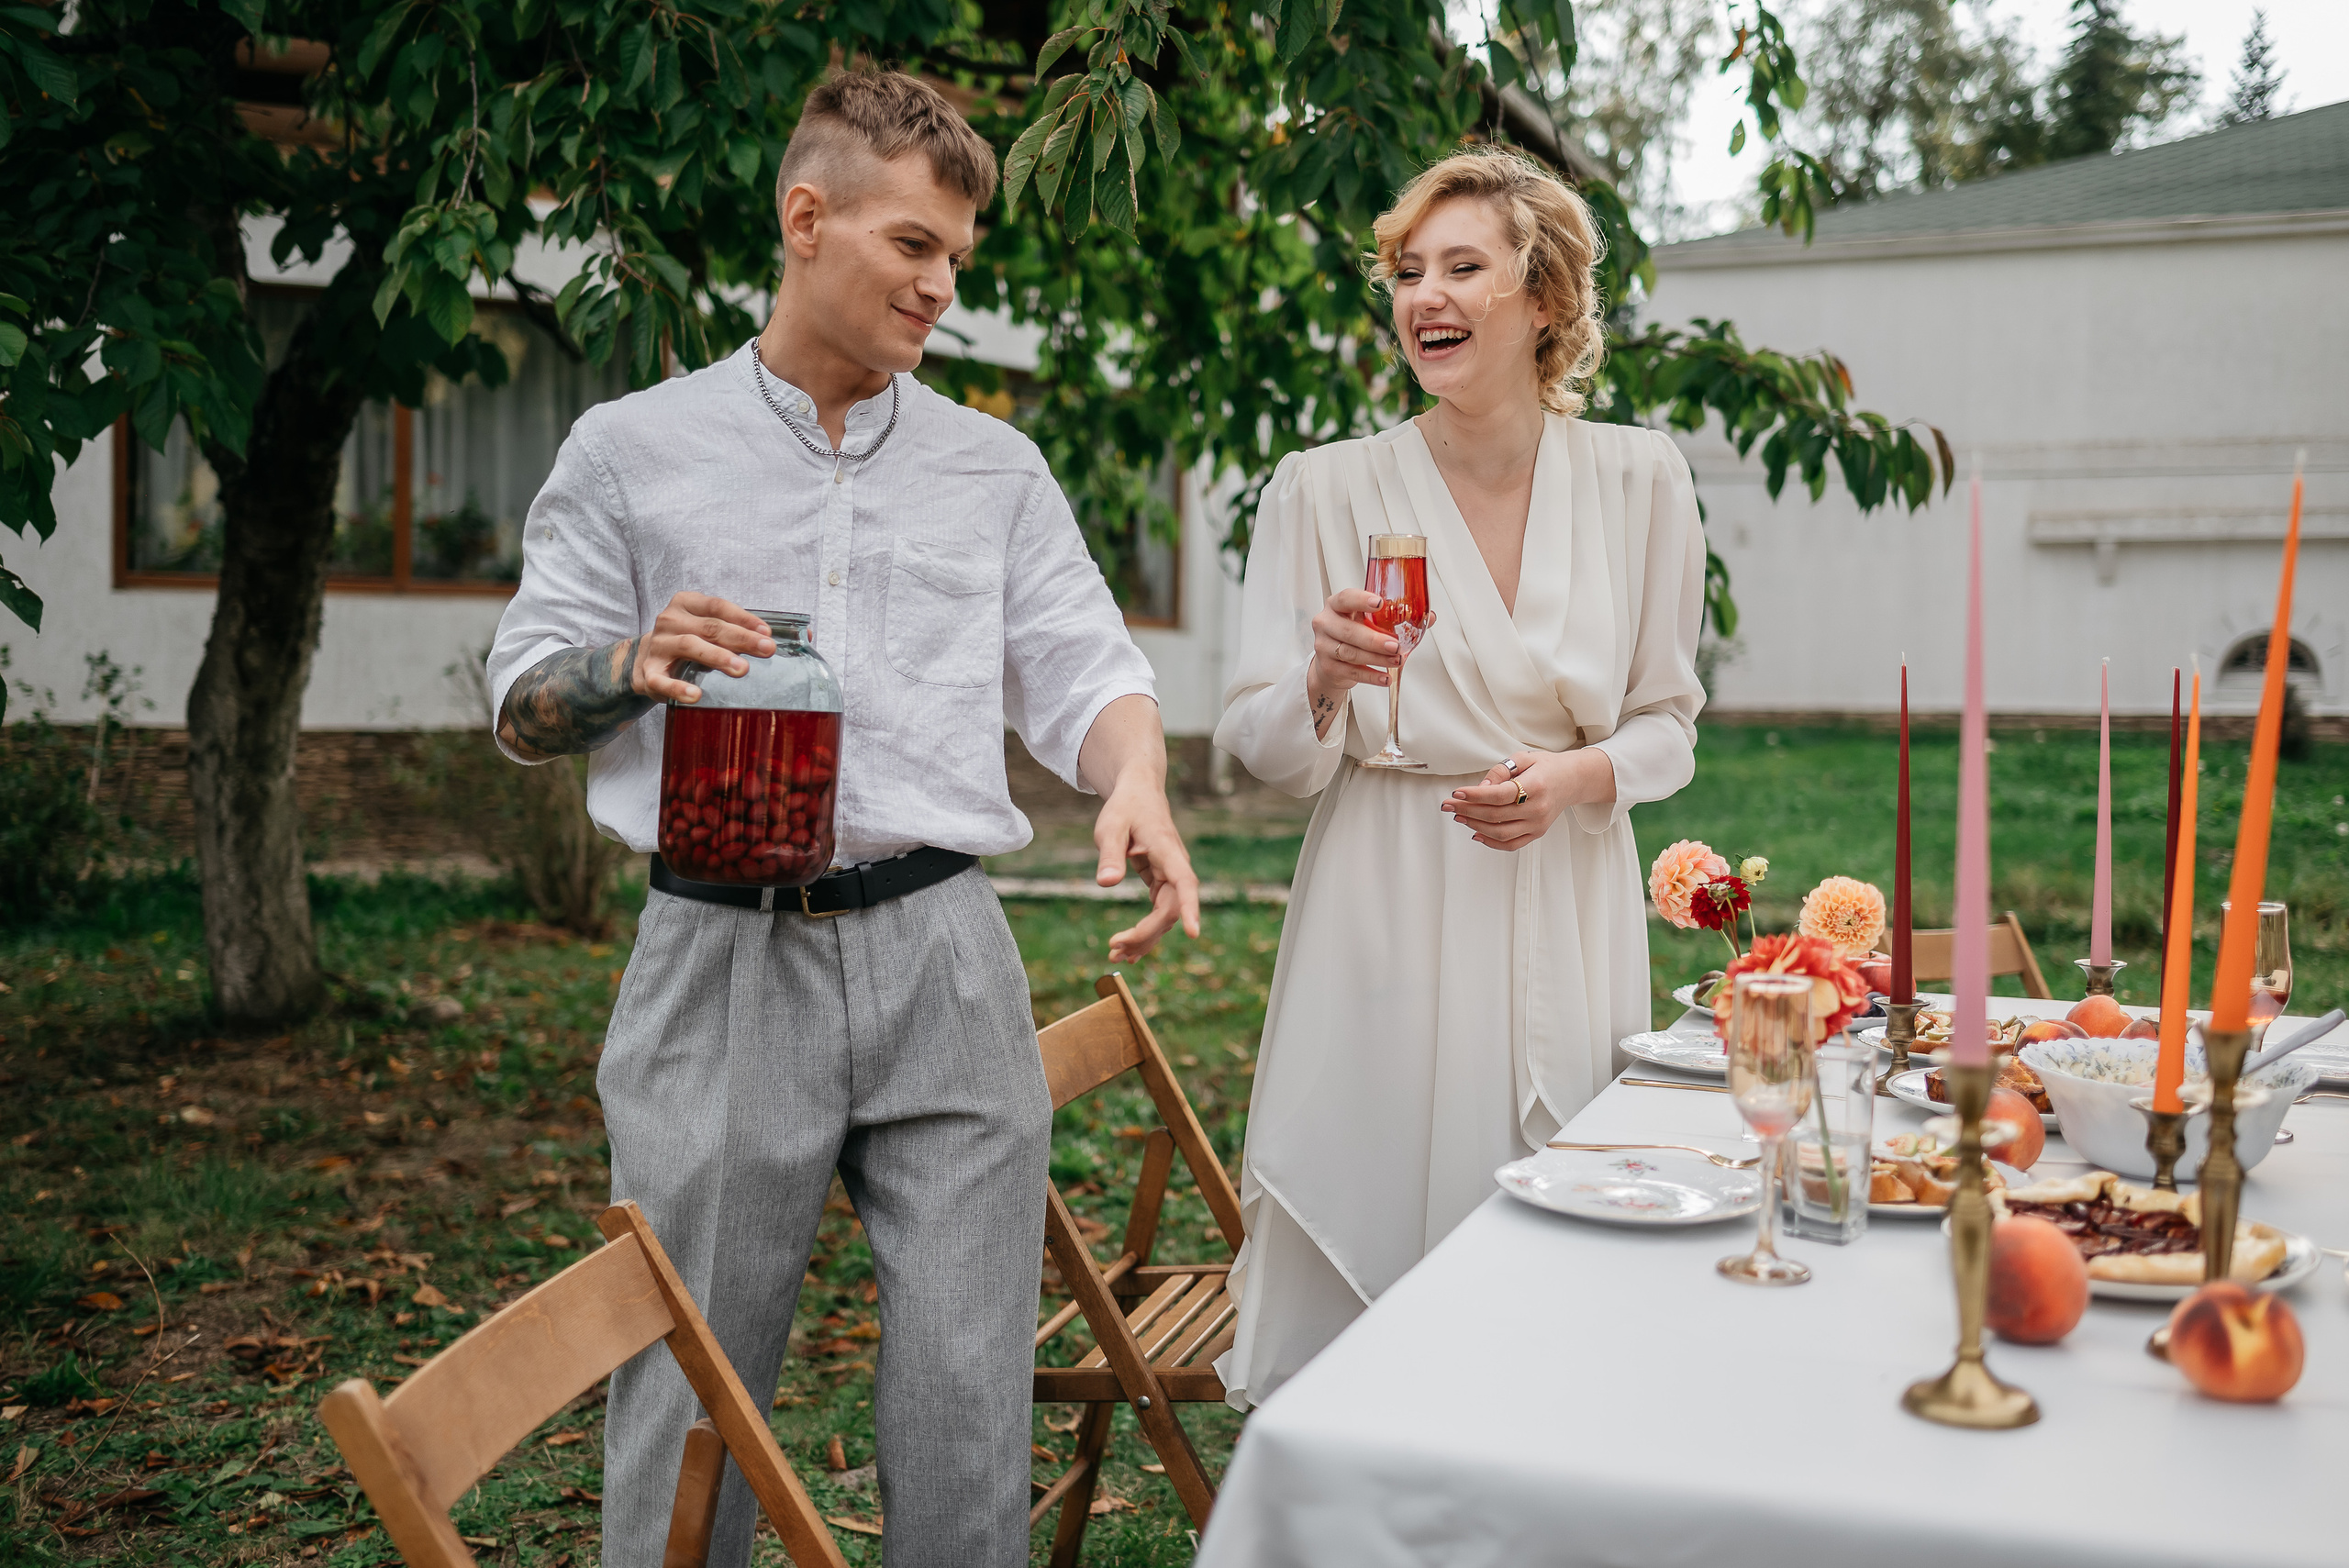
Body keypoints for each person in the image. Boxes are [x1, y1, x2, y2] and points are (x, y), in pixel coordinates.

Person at [485, 71, 1201, 1568]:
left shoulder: (994, 469)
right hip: (720, 953)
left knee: (965, 1387)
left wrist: (1133, 774)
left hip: (947, 952)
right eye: (915, 247)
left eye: (956, 258)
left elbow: (1089, 667)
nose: (944, 286)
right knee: (693, 1383)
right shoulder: (631, 449)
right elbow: (519, 700)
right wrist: (628, 663)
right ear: (806, 220)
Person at [1210, 147, 1705, 1407]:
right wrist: (1320, 681)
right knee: (1381, 1216)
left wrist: (1580, 777)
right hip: (1386, 894)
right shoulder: (1321, 490)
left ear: (1543, 300)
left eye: (1463, 267)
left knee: (1555, 1262)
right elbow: (1258, 757)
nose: (1424, 295)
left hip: (1564, 886)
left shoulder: (1641, 478)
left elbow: (1667, 726)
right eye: (1407, 270)